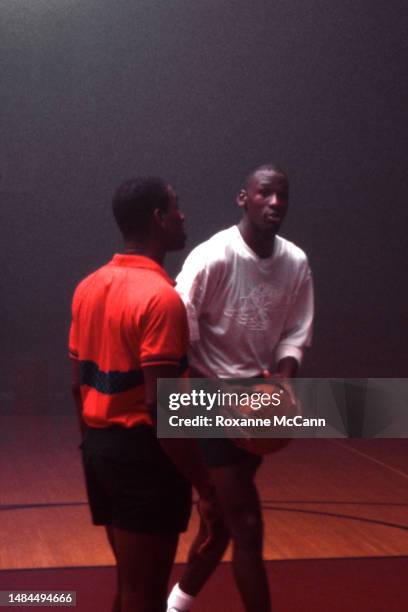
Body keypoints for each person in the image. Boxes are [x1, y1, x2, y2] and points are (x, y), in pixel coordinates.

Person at [167, 164, 314, 612]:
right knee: (247, 526)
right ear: (243, 198)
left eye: (282, 196)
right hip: (208, 400)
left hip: (257, 404)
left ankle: (174, 605)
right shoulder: (213, 257)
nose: (276, 203)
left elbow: (295, 332)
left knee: (224, 526)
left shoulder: (295, 262)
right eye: (266, 194)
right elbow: (177, 332)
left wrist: (281, 383)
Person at [69, 176, 215, 612]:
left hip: (99, 448)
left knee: (129, 586)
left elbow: (76, 385)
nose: (182, 215)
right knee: (146, 595)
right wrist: (205, 486)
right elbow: (161, 405)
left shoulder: (88, 286)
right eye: (175, 206)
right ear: (157, 218)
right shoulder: (161, 298)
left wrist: (93, 445)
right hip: (143, 458)